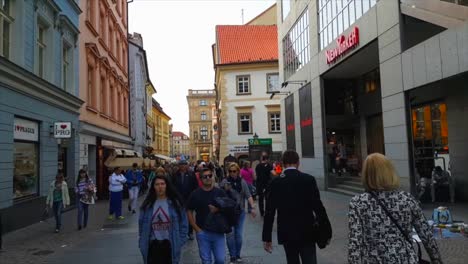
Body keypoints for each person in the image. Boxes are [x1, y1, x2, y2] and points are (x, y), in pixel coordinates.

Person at [348, 153, 443, 263]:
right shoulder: (406, 199)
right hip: (405, 259)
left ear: (366, 175)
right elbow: (427, 236)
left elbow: (355, 245)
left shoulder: (358, 203)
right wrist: (437, 261)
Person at [262, 150, 331, 264]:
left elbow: (269, 212)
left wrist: (267, 237)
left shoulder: (276, 183)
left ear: (283, 163)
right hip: (307, 231)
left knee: (292, 260)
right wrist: (327, 230)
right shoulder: (308, 180)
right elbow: (318, 207)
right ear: (298, 163)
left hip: (287, 232)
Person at [139, 172, 188, 264]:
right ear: (153, 187)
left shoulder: (175, 204)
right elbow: (141, 225)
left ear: (167, 186)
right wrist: (142, 242)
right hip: (153, 245)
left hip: (170, 244)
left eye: (162, 184)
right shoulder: (147, 205)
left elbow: (184, 224)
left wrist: (179, 242)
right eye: (157, 184)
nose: (160, 187)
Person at [187, 168, 228, 264]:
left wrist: (218, 209)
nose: (208, 178)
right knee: (206, 261)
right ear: (201, 179)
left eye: (210, 175)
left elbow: (228, 207)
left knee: (220, 259)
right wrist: (196, 228)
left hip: (218, 232)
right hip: (202, 232)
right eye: (205, 177)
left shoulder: (219, 192)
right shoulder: (195, 194)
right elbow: (189, 210)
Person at [221, 163, 257, 263]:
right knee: (230, 235)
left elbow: (248, 195)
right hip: (228, 213)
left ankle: (237, 254)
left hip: (240, 212)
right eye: (230, 171)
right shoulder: (225, 181)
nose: (232, 173)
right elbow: (219, 195)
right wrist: (225, 190)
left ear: (238, 171)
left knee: (239, 236)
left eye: (234, 171)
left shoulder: (242, 182)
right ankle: (232, 256)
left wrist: (253, 207)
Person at [172, 160, 199, 240]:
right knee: (179, 216)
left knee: (189, 216)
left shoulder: (191, 174)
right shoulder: (175, 175)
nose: (183, 166)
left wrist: (194, 196)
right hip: (178, 199)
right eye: (181, 165)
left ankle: (190, 232)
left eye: (184, 164)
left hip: (189, 198)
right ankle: (181, 231)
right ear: (179, 166)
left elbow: (195, 186)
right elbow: (172, 186)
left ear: (186, 166)